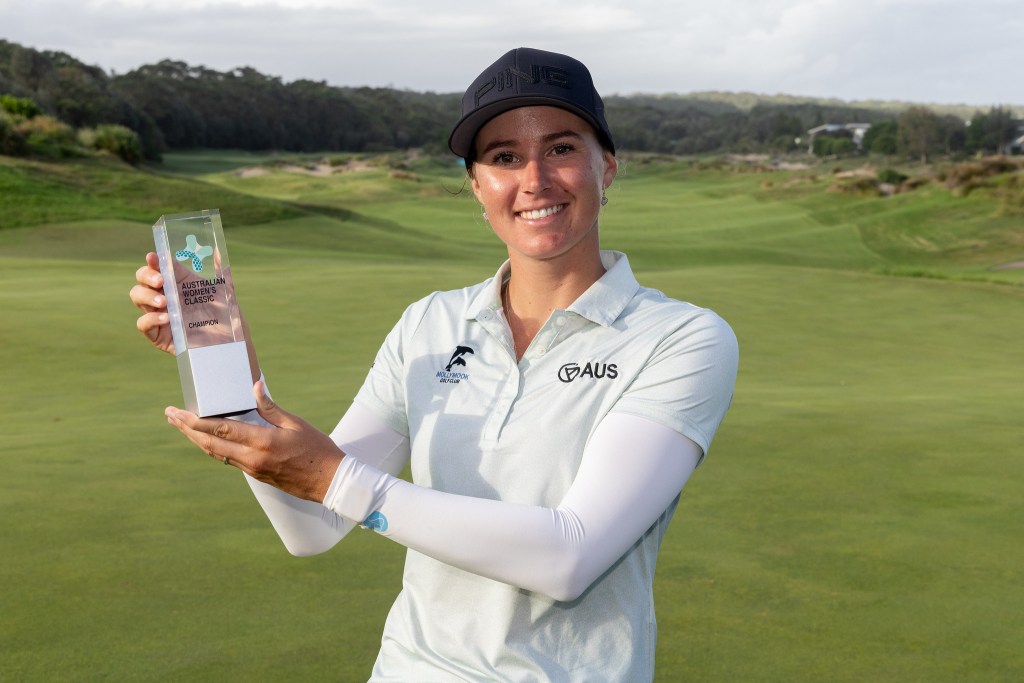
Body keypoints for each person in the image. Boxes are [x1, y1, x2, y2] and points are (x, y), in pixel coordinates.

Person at [130, 47, 738, 682]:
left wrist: (339, 480)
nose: (534, 178)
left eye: (561, 148)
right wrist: (229, 374)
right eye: (504, 157)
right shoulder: (430, 323)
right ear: (477, 186)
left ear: (606, 168)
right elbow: (313, 527)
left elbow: (571, 556)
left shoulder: (682, 338)